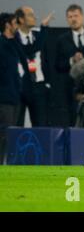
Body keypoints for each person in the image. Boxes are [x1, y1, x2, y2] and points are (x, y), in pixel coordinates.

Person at [55, 4, 84, 126]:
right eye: (70, 17)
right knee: (72, 123)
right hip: (70, 91)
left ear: (82, 16)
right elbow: (57, 65)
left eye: (76, 16)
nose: (73, 19)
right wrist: (71, 60)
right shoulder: (61, 39)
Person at [14, 6, 54, 127]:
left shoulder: (39, 35)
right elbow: (29, 49)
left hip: (38, 86)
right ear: (21, 19)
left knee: (40, 124)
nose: (34, 17)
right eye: (31, 15)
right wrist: (44, 27)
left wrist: (47, 83)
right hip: (19, 86)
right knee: (17, 124)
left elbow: (47, 59)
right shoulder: (12, 37)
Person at [0, 13, 30, 163]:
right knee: (4, 134)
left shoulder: (14, 43)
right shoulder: (1, 44)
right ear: (7, 25)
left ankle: (8, 164)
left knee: (10, 134)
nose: (17, 26)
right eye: (14, 23)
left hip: (15, 96)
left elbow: (23, 63)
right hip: (4, 98)